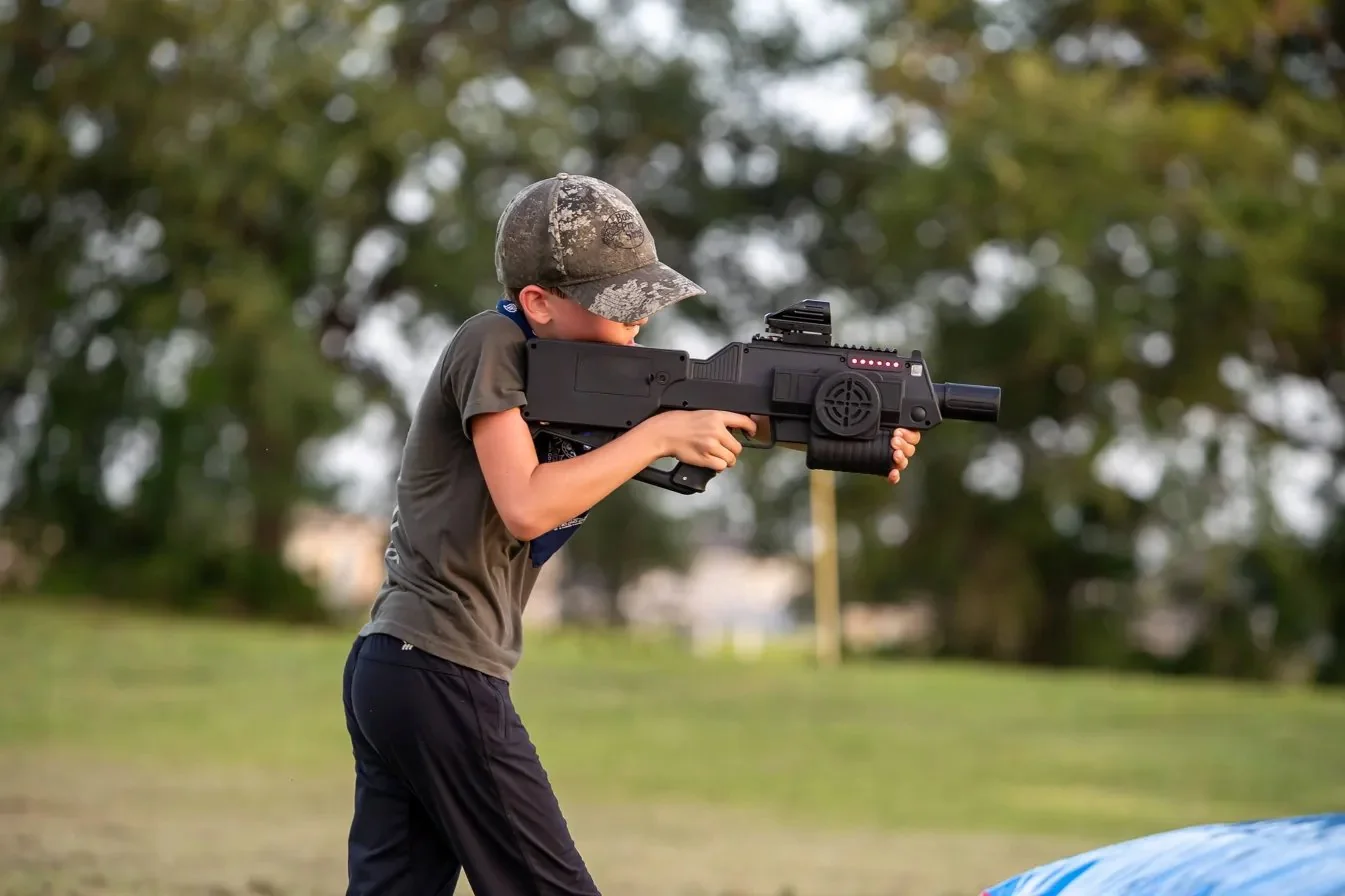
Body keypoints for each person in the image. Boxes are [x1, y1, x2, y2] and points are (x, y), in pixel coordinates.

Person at [340, 172, 923, 895]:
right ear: (538, 305)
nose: (639, 323)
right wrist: (658, 435)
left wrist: (856, 435)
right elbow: (526, 505)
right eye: (620, 306)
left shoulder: (570, 375)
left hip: (395, 670)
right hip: (439, 668)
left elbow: (735, 408)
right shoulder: (490, 344)